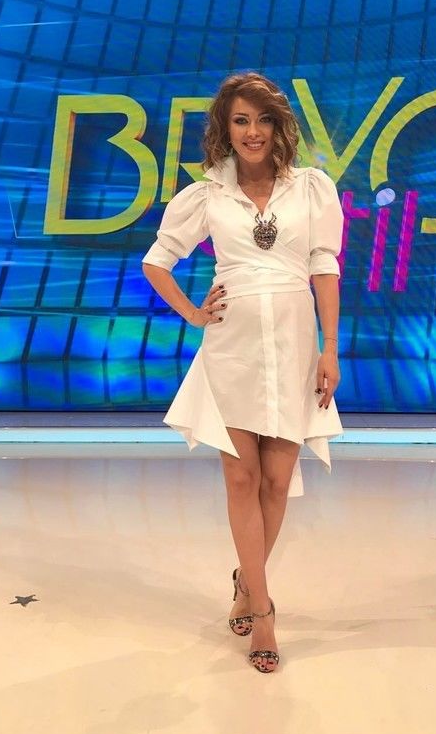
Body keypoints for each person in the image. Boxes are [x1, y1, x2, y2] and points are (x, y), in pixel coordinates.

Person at [141, 72, 343, 673]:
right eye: (240, 120)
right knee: (240, 478)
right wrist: (193, 314)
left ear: (279, 126)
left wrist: (331, 348)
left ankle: (245, 580)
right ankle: (262, 611)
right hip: (231, 349)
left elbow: (324, 267)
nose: (253, 132)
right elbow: (158, 261)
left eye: (262, 120)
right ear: (224, 129)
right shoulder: (206, 195)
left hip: (294, 343)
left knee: (276, 483)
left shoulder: (311, 188)